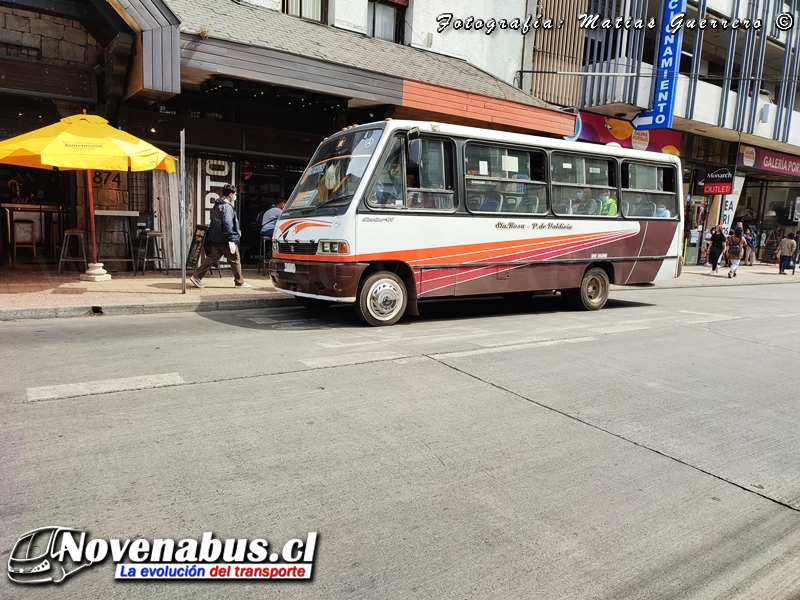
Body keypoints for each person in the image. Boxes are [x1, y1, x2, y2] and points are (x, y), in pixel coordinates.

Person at [190, 184, 251, 289]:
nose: (235, 197)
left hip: (217, 237)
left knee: (212, 258)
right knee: (235, 259)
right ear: (231, 195)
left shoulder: (217, 205)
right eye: (235, 194)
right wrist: (232, 237)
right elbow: (227, 223)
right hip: (226, 239)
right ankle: (239, 282)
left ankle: (196, 276)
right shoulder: (227, 207)